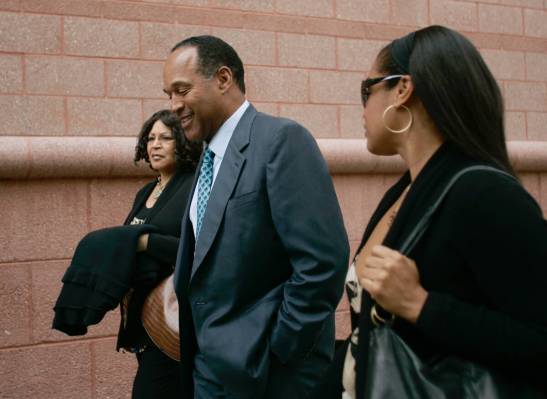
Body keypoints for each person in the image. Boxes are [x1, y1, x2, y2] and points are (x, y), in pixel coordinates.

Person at [330, 25, 547, 399]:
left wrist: (421, 305)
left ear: (402, 89)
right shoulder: (408, 189)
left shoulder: (484, 194)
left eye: (367, 90)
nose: (362, 107)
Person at [164, 35, 350, 399]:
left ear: (222, 79)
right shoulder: (206, 158)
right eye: (168, 93)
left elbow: (322, 264)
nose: (174, 105)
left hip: (267, 377)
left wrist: (278, 352)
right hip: (209, 372)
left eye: (182, 90)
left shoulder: (281, 140)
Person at [116, 109, 201, 398]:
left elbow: (199, 248)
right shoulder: (145, 192)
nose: (155, 145)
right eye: (151, 138)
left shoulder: (194, 188)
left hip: (172, 318)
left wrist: (145, 243)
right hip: (142, 320)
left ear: (183, 142)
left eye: (165, 138)